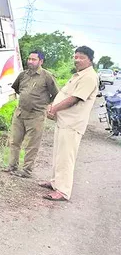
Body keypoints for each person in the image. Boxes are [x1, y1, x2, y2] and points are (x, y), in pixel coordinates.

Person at [40, 46, 99, 201]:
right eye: (76, 56)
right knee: (58, 155)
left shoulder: (89, 77)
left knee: (66, 157)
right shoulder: (78, 75)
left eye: (81, 57)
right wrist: (53, 107)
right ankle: (55, 183)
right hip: (63, 121)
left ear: (90, 60)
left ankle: (63, 191)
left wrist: (54, 109)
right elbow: (65, 94)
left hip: (72, 124)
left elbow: (75, 98)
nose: (77, 60)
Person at [3, 50, 59, 178]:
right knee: (14, 141)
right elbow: (17, 89)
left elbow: (56, 94)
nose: (30, 61)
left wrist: (46, 104)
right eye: (29, 59)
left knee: (31, 145)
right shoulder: (23, 75)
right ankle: (12, 166)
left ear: (41, 61)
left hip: (36, 115)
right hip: (20, 113)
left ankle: (27, 171)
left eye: (33, 59)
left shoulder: (47, 76)